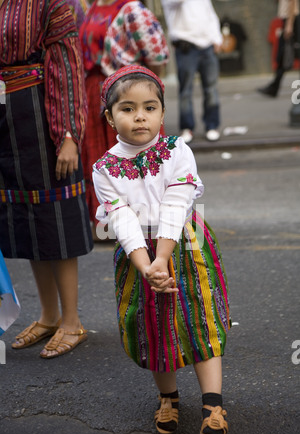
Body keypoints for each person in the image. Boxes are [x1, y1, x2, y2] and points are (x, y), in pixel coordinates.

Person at [92, 65, 231, 434]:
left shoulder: (176, 150)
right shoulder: (104, 168)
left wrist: (162, 257)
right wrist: (146, 266)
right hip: (138, 257)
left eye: (150, 107)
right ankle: (167, 398)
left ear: (162, 113)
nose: (140, 116)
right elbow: (119, 219)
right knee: (151, 325)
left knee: (200, 320)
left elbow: (176, 203)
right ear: (109, 116)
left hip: (184, 246)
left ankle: (212, 404)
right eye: (127, 108)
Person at [0, 0, 93, 359]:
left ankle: (72, 321)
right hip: (7, 122)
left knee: (56, 217)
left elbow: (67, 70)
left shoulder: (53, 4)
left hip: (43, 119)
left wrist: (68, 135)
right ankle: (49, 316)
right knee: (26, 219)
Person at [79, 0, 169, 240]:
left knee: (136, 157)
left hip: (126, 94)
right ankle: (109, 223)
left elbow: (157, 54)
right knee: (103, 158)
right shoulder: (94, 7)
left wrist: (140, 92)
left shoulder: (131, 9)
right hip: (94, 90)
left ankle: (145, 225)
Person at [161, 0, 223, 143]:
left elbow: (210, 15)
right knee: (186, 91)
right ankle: (187, 127)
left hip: (208, 46)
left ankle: (212, 125)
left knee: (211, 89)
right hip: (186, 47)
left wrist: (217, 38)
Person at [258, 0, 300, 97]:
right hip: (289, 20)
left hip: (291, 20)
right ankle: (274, 87)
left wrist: (289, 24)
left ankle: (274, 87)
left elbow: (292, 2)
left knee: (285, 54)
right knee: (282, 56)